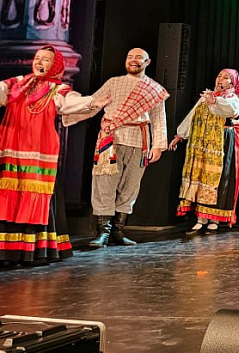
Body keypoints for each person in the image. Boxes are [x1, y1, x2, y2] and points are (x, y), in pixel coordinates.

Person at [62, 47, 168, 248]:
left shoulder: (154, 89)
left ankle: (118, 231)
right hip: (111, 139)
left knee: (130, 186)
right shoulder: (113, 82)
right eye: (130, 57)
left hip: (139, 141)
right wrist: (67, 114)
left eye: (139, 57)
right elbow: (94, 104)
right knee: (104, 182)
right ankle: (103, 231)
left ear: (147, 62)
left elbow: (158, 119)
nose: (133, 60)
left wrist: (158, 146)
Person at [0, 45, 81, 265]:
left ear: (54, 65)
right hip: (12, 151)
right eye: (38, 58)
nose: (39, 62)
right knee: (9, 198)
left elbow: (74, 103)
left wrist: (95, 101)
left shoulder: (58, 90)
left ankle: (33, 253)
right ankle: (7, 253)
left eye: (46, 59)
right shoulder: (18, 84)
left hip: (39, 154)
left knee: (36, 198)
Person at [168, 68, 239, 234]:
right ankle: (201, 219)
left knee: (218, 179)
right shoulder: (207, 96)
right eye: (219, 76)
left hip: (221, 142)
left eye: (225, 78)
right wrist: (180, 135)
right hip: (203, 143)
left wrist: (214, 101)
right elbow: (193, 116)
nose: (220, 79)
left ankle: (214, 220)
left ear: (232, 83)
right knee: (201, 177)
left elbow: (232, 111)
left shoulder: (232, 98)